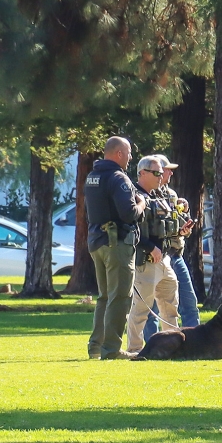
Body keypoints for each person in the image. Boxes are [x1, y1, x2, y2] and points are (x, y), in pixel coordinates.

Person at [85, 136, 146, 360]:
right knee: (120, 296)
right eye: (128, 153)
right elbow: (128, 213)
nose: (130, 157)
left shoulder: (92, 176)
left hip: (97, 242)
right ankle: (111, 349)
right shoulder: (118, 178)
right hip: (116, 243)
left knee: (104, 297)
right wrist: (142, 203)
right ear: (119, 153)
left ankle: (96, 347)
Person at [125, 155, 181, 353]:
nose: (161, 176)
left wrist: (179, 232)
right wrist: (150, 247)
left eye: (161, 172)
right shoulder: (134, 196)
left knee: (170, 306)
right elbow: (131, 229)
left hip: (164, 259)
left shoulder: (158, 195)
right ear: (142, 173)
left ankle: (173, 347)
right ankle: (134, 350)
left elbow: (163, 227)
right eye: (156, 173)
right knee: (141, 309)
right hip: (145, 261)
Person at [142, 154, 200, 342]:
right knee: (151, 308)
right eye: (166, 169)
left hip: (175, 253)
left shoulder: (172, 195)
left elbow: (175, 228)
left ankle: (193, 341)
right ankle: (152, 344)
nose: (169, 173)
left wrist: (184, 229)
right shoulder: (147, 194)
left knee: (188, 302)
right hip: (156, 256)